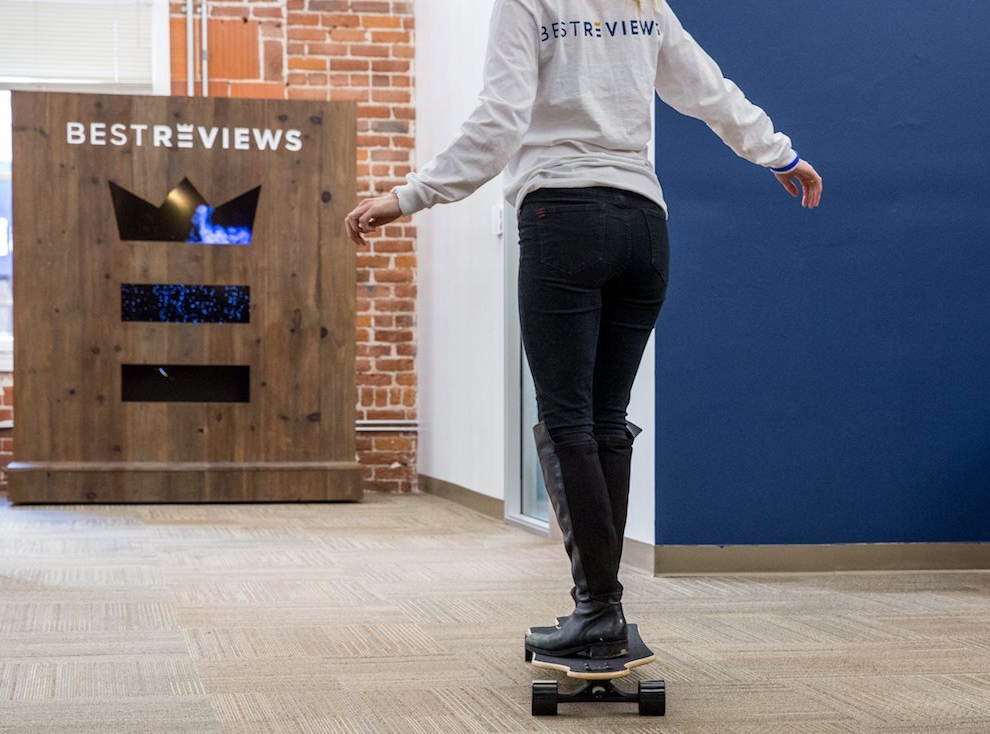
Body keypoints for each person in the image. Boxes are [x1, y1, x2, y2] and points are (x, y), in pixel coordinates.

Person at [346, 0, 822, 660]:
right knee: (604, 417)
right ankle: (601, 607)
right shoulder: (642, 3)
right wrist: (777, 154)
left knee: (568, 417)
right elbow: (705, 87)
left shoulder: (527, 3)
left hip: (563, 217)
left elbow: (499, 123)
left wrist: (407, 195)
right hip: (644, 228)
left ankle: (598, 610)